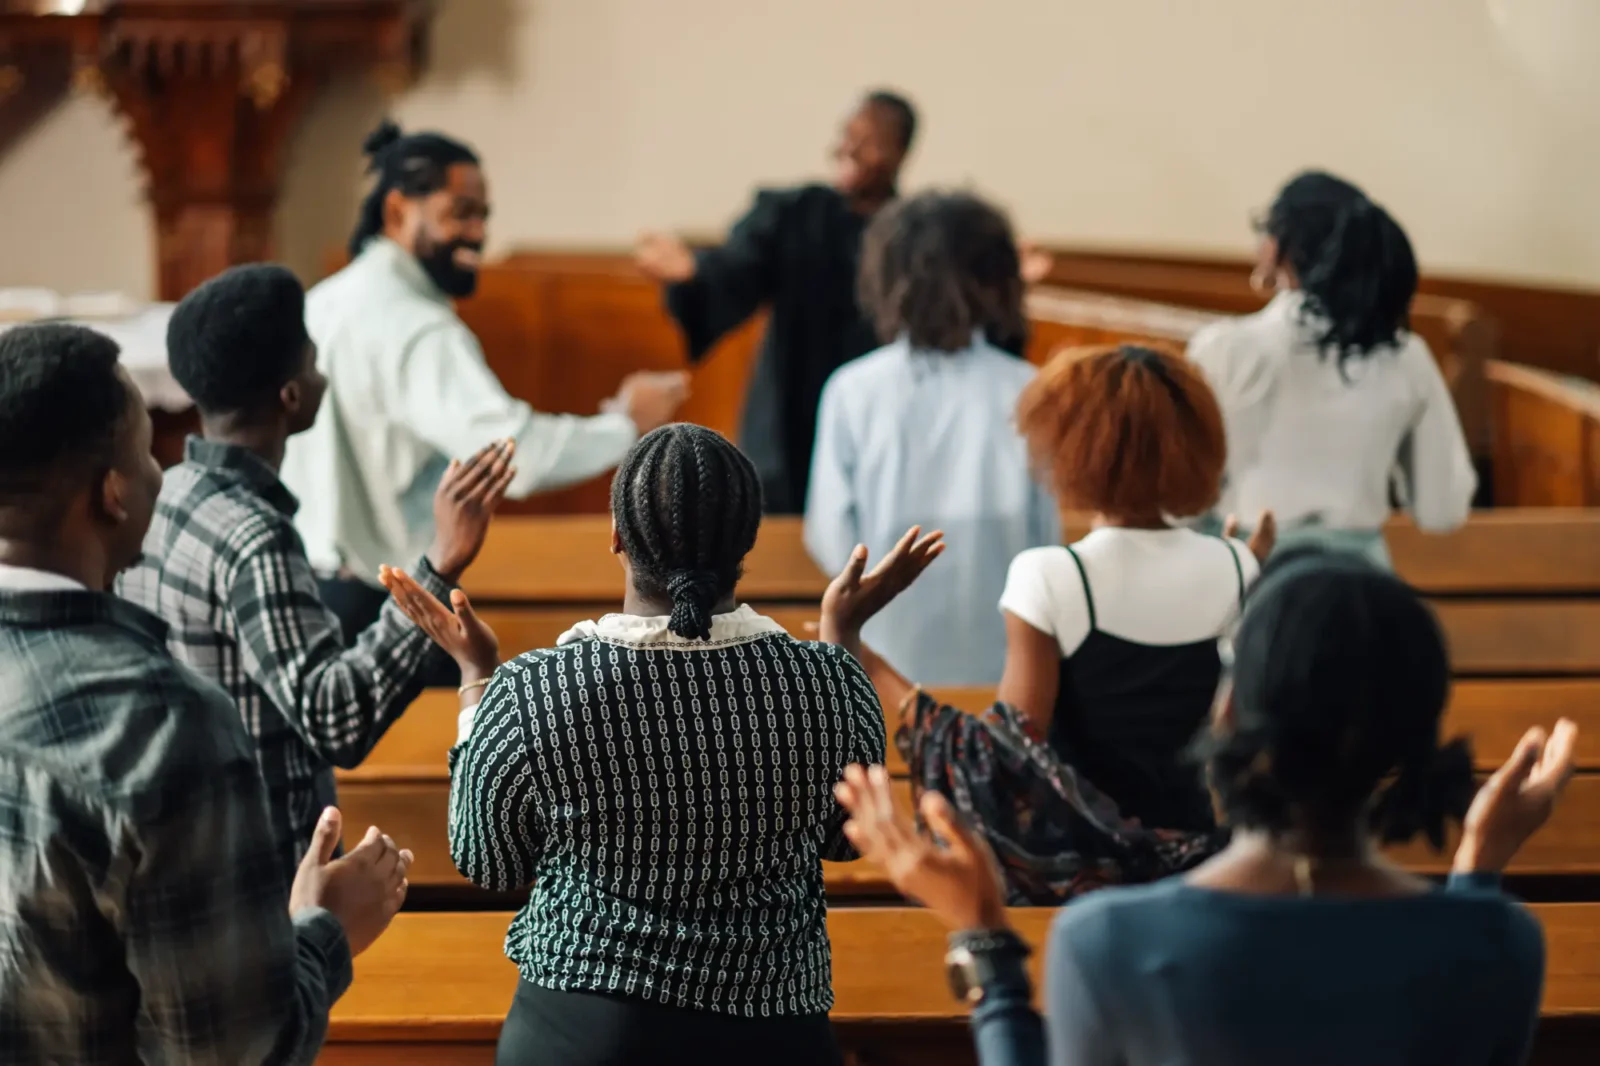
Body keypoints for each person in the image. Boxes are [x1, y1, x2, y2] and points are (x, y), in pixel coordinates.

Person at [837, 550, 1571, 1066]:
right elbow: (1464, 961)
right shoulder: (1501, 943)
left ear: (1226, 713)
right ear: (1415, 736)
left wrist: (985, 938)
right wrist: (1477, 868)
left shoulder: (1112, 941)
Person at [379, 423, 941, 1066]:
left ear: (617, 538)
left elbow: (488, 861)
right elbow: (847, 837)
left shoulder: (534, 693)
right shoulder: (825, 685)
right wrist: (841, 638)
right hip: (770, 1030)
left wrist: (477, 681)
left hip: (582, 1030)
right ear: (745, 543)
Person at [0, 322, 413, 1063]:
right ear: (113, 494)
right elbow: (234, 1050)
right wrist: (324, 928)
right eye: (146, 448)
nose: (166, 469)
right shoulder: (165, 728)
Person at [118, 264, 514, 877]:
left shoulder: (167, 495)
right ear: (292, 395)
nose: (321, 372)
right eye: (312, 360)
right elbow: (335, 720)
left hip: (189, 843)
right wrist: (439, 564)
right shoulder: (254, 536)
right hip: (264, 870)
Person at [839, 344, 1272, 902]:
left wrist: (858, 647)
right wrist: (1247, 565)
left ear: (1072, 448)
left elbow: (1002, 764)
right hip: (1209, 868)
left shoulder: (1052, 575)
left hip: (1087, 884)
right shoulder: (1241, 563)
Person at [282, 119, 689, 644]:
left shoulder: (321, 301)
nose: (477, 233)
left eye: (483, 216)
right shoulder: (417, 325)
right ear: (397, 210)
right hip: (379, 602)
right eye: (461, 214)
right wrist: (625, 423)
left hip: (308, 589)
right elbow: (511, 456)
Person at [637, 91, 1051, 513]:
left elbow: (959, 315)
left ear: (900, 152)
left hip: (887, 419)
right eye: (847, 135)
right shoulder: (793, 214)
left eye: (869, 140)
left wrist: (1008, 284)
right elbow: (738, 271)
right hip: (789, 418)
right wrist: (695, 273)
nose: (849, 149)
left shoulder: (918, 237)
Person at [805, 190, 1058, 685]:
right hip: (1002, 667)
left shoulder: (853, 390)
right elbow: (1044, 538)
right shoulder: (1027, 388)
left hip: (883, 672)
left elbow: (829, 534)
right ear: (997, 279)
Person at [1186, 170, 1477, 566]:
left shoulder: (1225, 349)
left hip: (1246, 570)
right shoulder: (1407, 357)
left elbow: (1180, 500)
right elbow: (1442, 509)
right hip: (1361, 581)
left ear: (1278, 246)